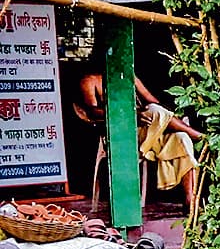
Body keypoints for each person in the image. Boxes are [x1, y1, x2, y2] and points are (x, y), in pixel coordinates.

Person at [74, 69, 204, 212]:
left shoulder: (128, 74)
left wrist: (158, 113)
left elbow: (152, 100)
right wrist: (131, 114)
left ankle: (189, 201)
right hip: (121, 135)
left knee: (182, 137)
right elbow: (92, 112)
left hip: (148, 130)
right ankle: (200, 137)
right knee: (156, 111)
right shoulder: (90, 80)